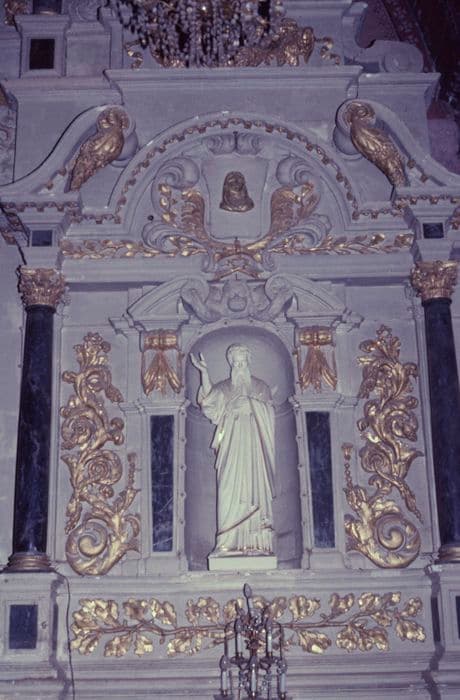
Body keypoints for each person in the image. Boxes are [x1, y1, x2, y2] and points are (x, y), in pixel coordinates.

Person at [190, 344, 275, 555]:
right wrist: (204, 374)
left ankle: (257, 544)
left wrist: (252, 406)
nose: (239, 367)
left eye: (242, 362)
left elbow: (270, 414)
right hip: (230, 445)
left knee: (254, 490)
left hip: (254, 449)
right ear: (231, 365)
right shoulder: (224, 388)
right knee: (228, 489)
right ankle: (227, 543)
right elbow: (209, 404)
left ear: (248, 363)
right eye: (236, 363)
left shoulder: (261, 388)